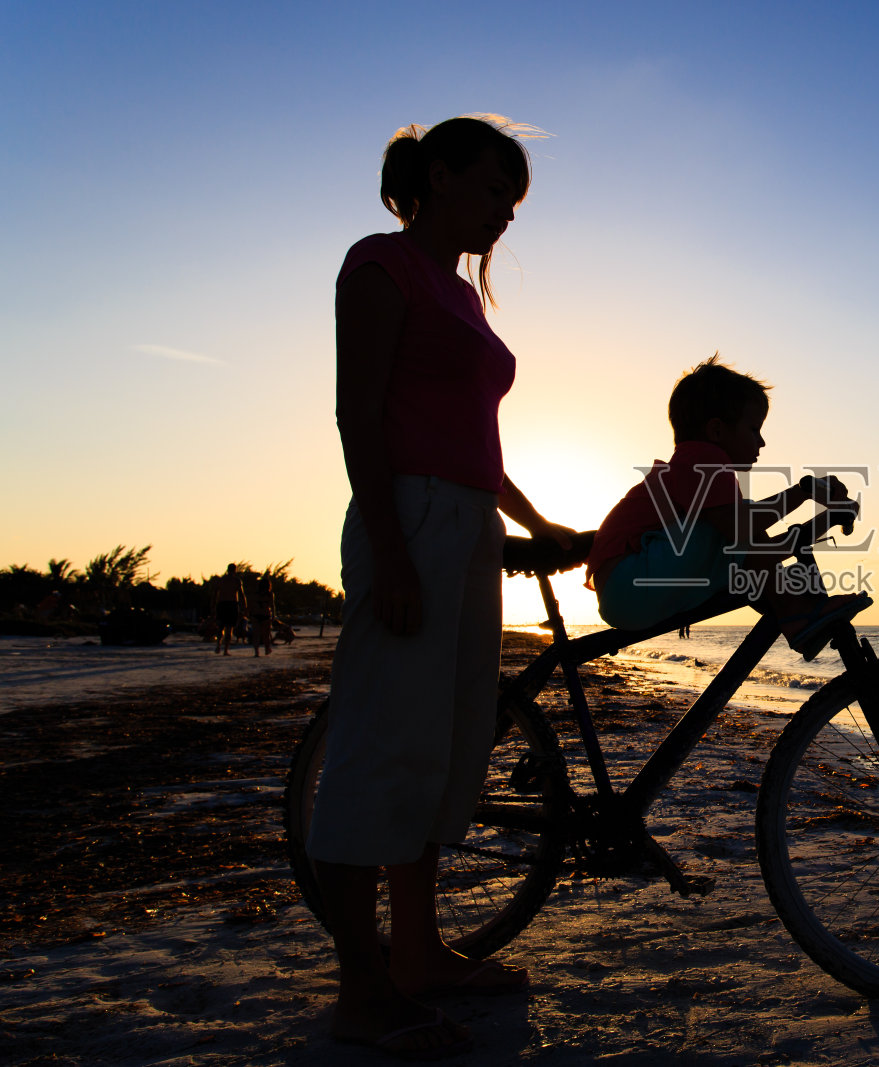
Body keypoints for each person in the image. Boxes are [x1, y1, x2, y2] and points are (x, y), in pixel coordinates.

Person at [305, 115, 574, 1060]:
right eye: (499, 190)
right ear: (444, 175)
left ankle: (417, 954)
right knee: (380, 749)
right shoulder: (381, 264)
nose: (507, 213)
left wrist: (537, 524)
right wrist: (390, 546)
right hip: (410, 519)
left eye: (516, 199)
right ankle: (362, 992)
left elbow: (473, 436)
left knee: (443, 744)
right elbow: (358, 413)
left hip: (466, 525)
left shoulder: (462, 295)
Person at [586, 356, 868, 658]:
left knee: (741, 535)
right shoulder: (705, 463)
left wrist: (813, 506)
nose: (761, 442)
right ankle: (796, 614)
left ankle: (795, 612)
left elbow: (755, 543)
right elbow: (747, 536)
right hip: (629, 584)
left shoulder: (695, 468)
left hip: (629, 589)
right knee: (737, 527)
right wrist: (810, 503)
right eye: (753, 429)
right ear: (717, 431)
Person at [213, 564, 246, 656]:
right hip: (231, 604)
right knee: (229, 628)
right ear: (235, 570)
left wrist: (213, 605)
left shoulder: (221, 580)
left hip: (222, 604)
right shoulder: (236, 581)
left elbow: (215, 594)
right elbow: (242, 594)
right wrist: (244, 606)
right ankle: (225, 650)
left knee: (220, 627)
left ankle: (218, 644)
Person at [250, 575, 276, 657]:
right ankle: (267, 649)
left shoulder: (255, 594)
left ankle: (256, 651)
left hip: (256, 615)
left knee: (256, 634)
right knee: (266, 635)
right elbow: (272, 605)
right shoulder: (270, 594)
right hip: (265, 615)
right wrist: (273, 615)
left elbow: (251, 605)